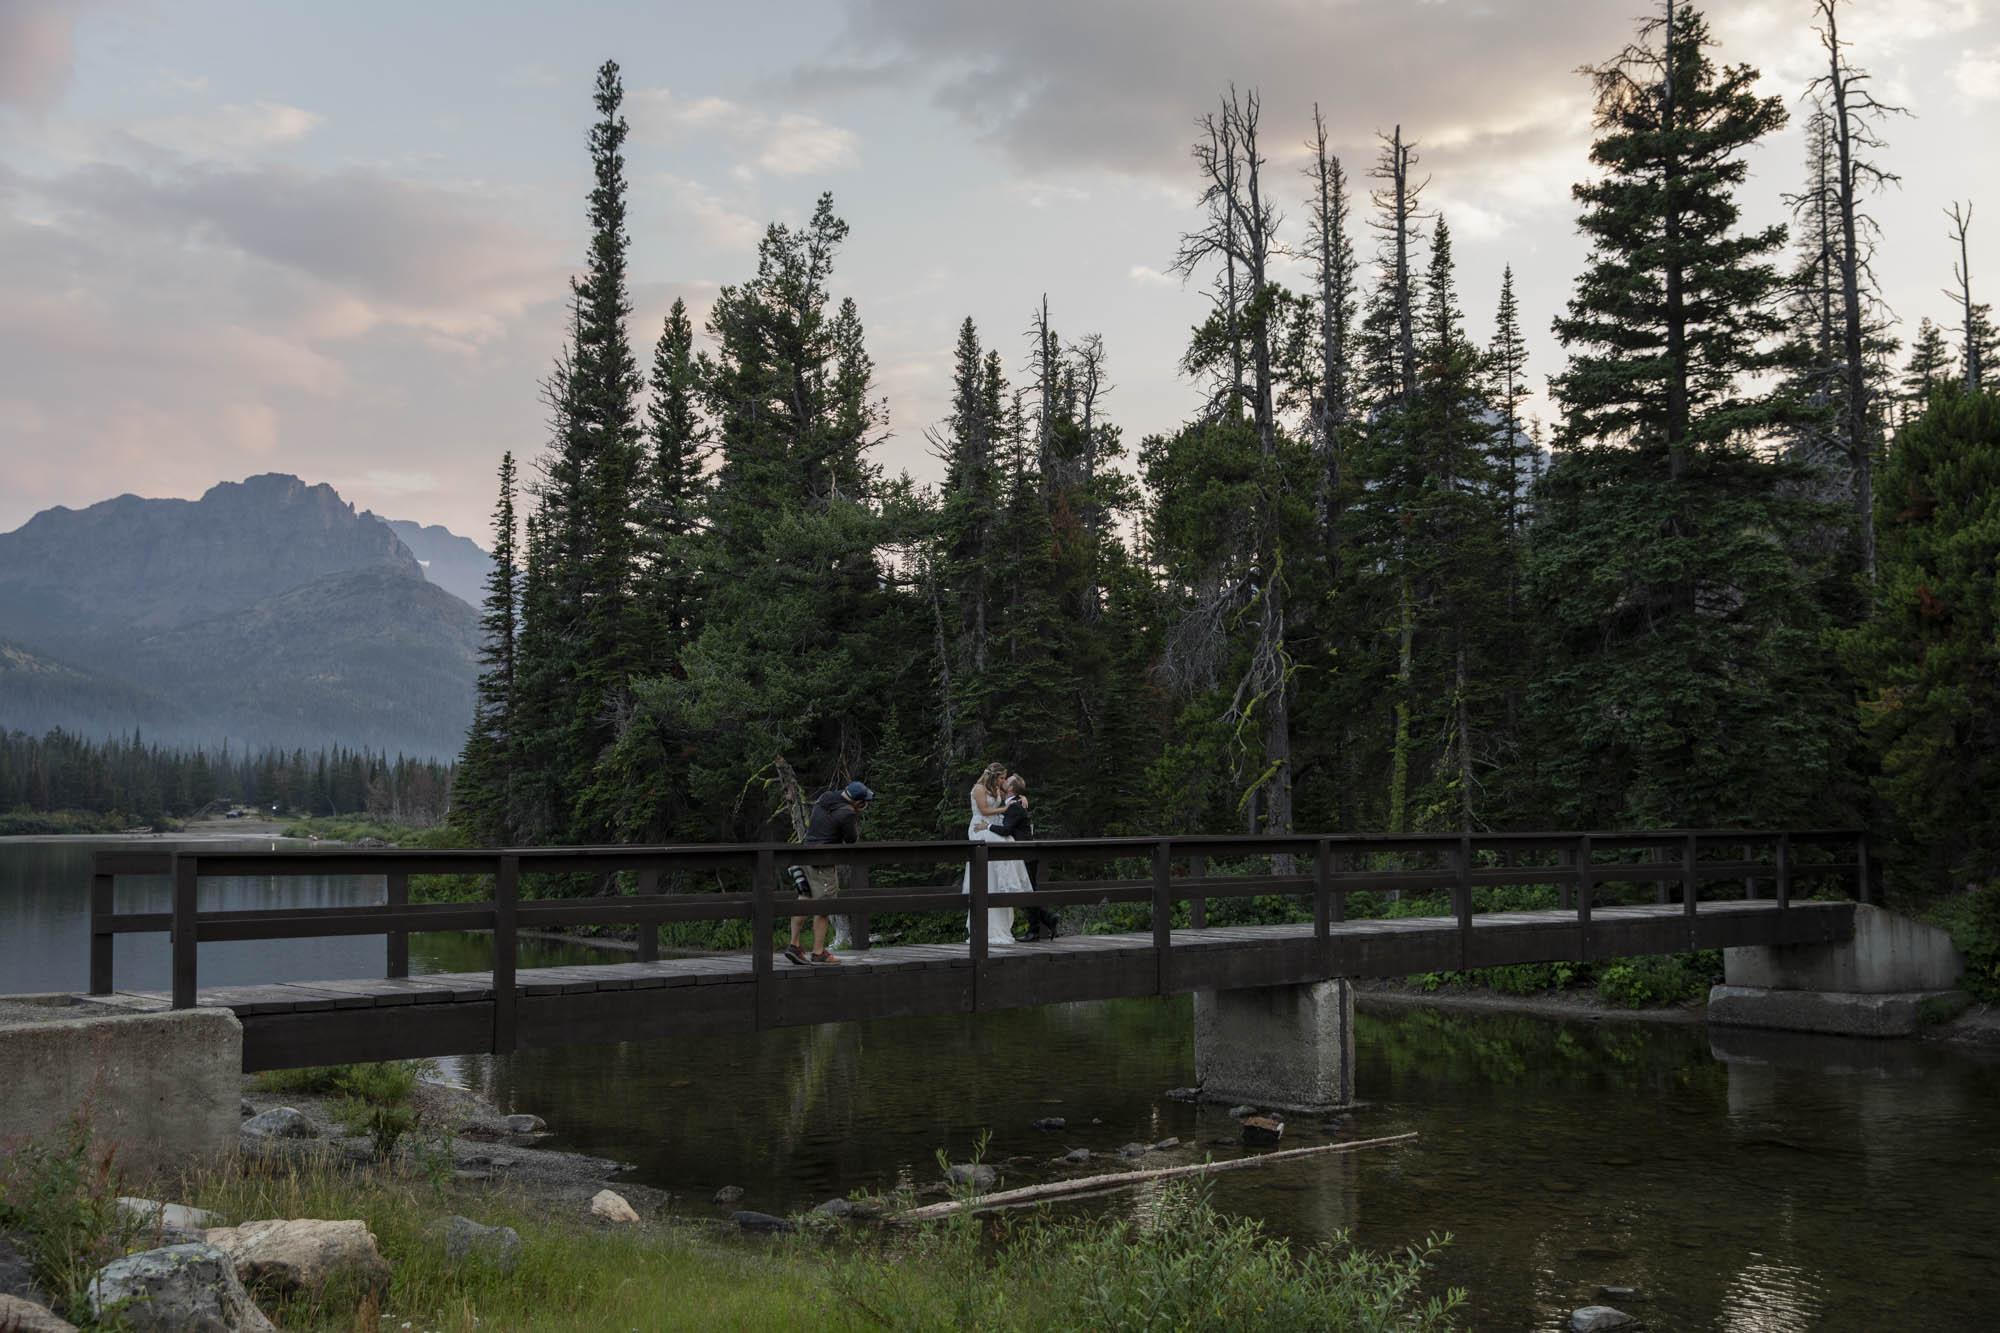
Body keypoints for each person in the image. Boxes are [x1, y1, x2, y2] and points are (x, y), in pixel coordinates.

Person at [784, 780, 873, 965]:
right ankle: (818, 953)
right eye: (864, 801)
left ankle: (794, 945)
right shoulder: (847, 813)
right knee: (824, 907)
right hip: (822, 862)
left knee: (804, 900)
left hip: (804, 855)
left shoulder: (826, 797)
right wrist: (855, 813)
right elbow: (851, 839)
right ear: (857, 802)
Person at [962, 763, 1030, 944]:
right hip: (980, 827)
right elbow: (984, 810)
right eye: (1001, 778)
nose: (1003, 781)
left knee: (1008, 843)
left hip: (992, 825)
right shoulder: (978, 788)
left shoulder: (996, 788)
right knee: (996, 850)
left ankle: (1006, 889)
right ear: (993, 776)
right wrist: (1004, 809)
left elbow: (1012, 792)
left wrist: (1021, 797)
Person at [994, 775, 1057, 941]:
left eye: (1008, 780)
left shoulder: (1015, 806)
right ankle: (1046, 921)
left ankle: (1036, 929)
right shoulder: (1014, 802)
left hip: (1025, 854)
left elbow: (1006, 829)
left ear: (1012, 788)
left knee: (1026, 891)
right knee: (1026, 891)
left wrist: (987, 826)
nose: (1004, 781)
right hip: (1021, 853)